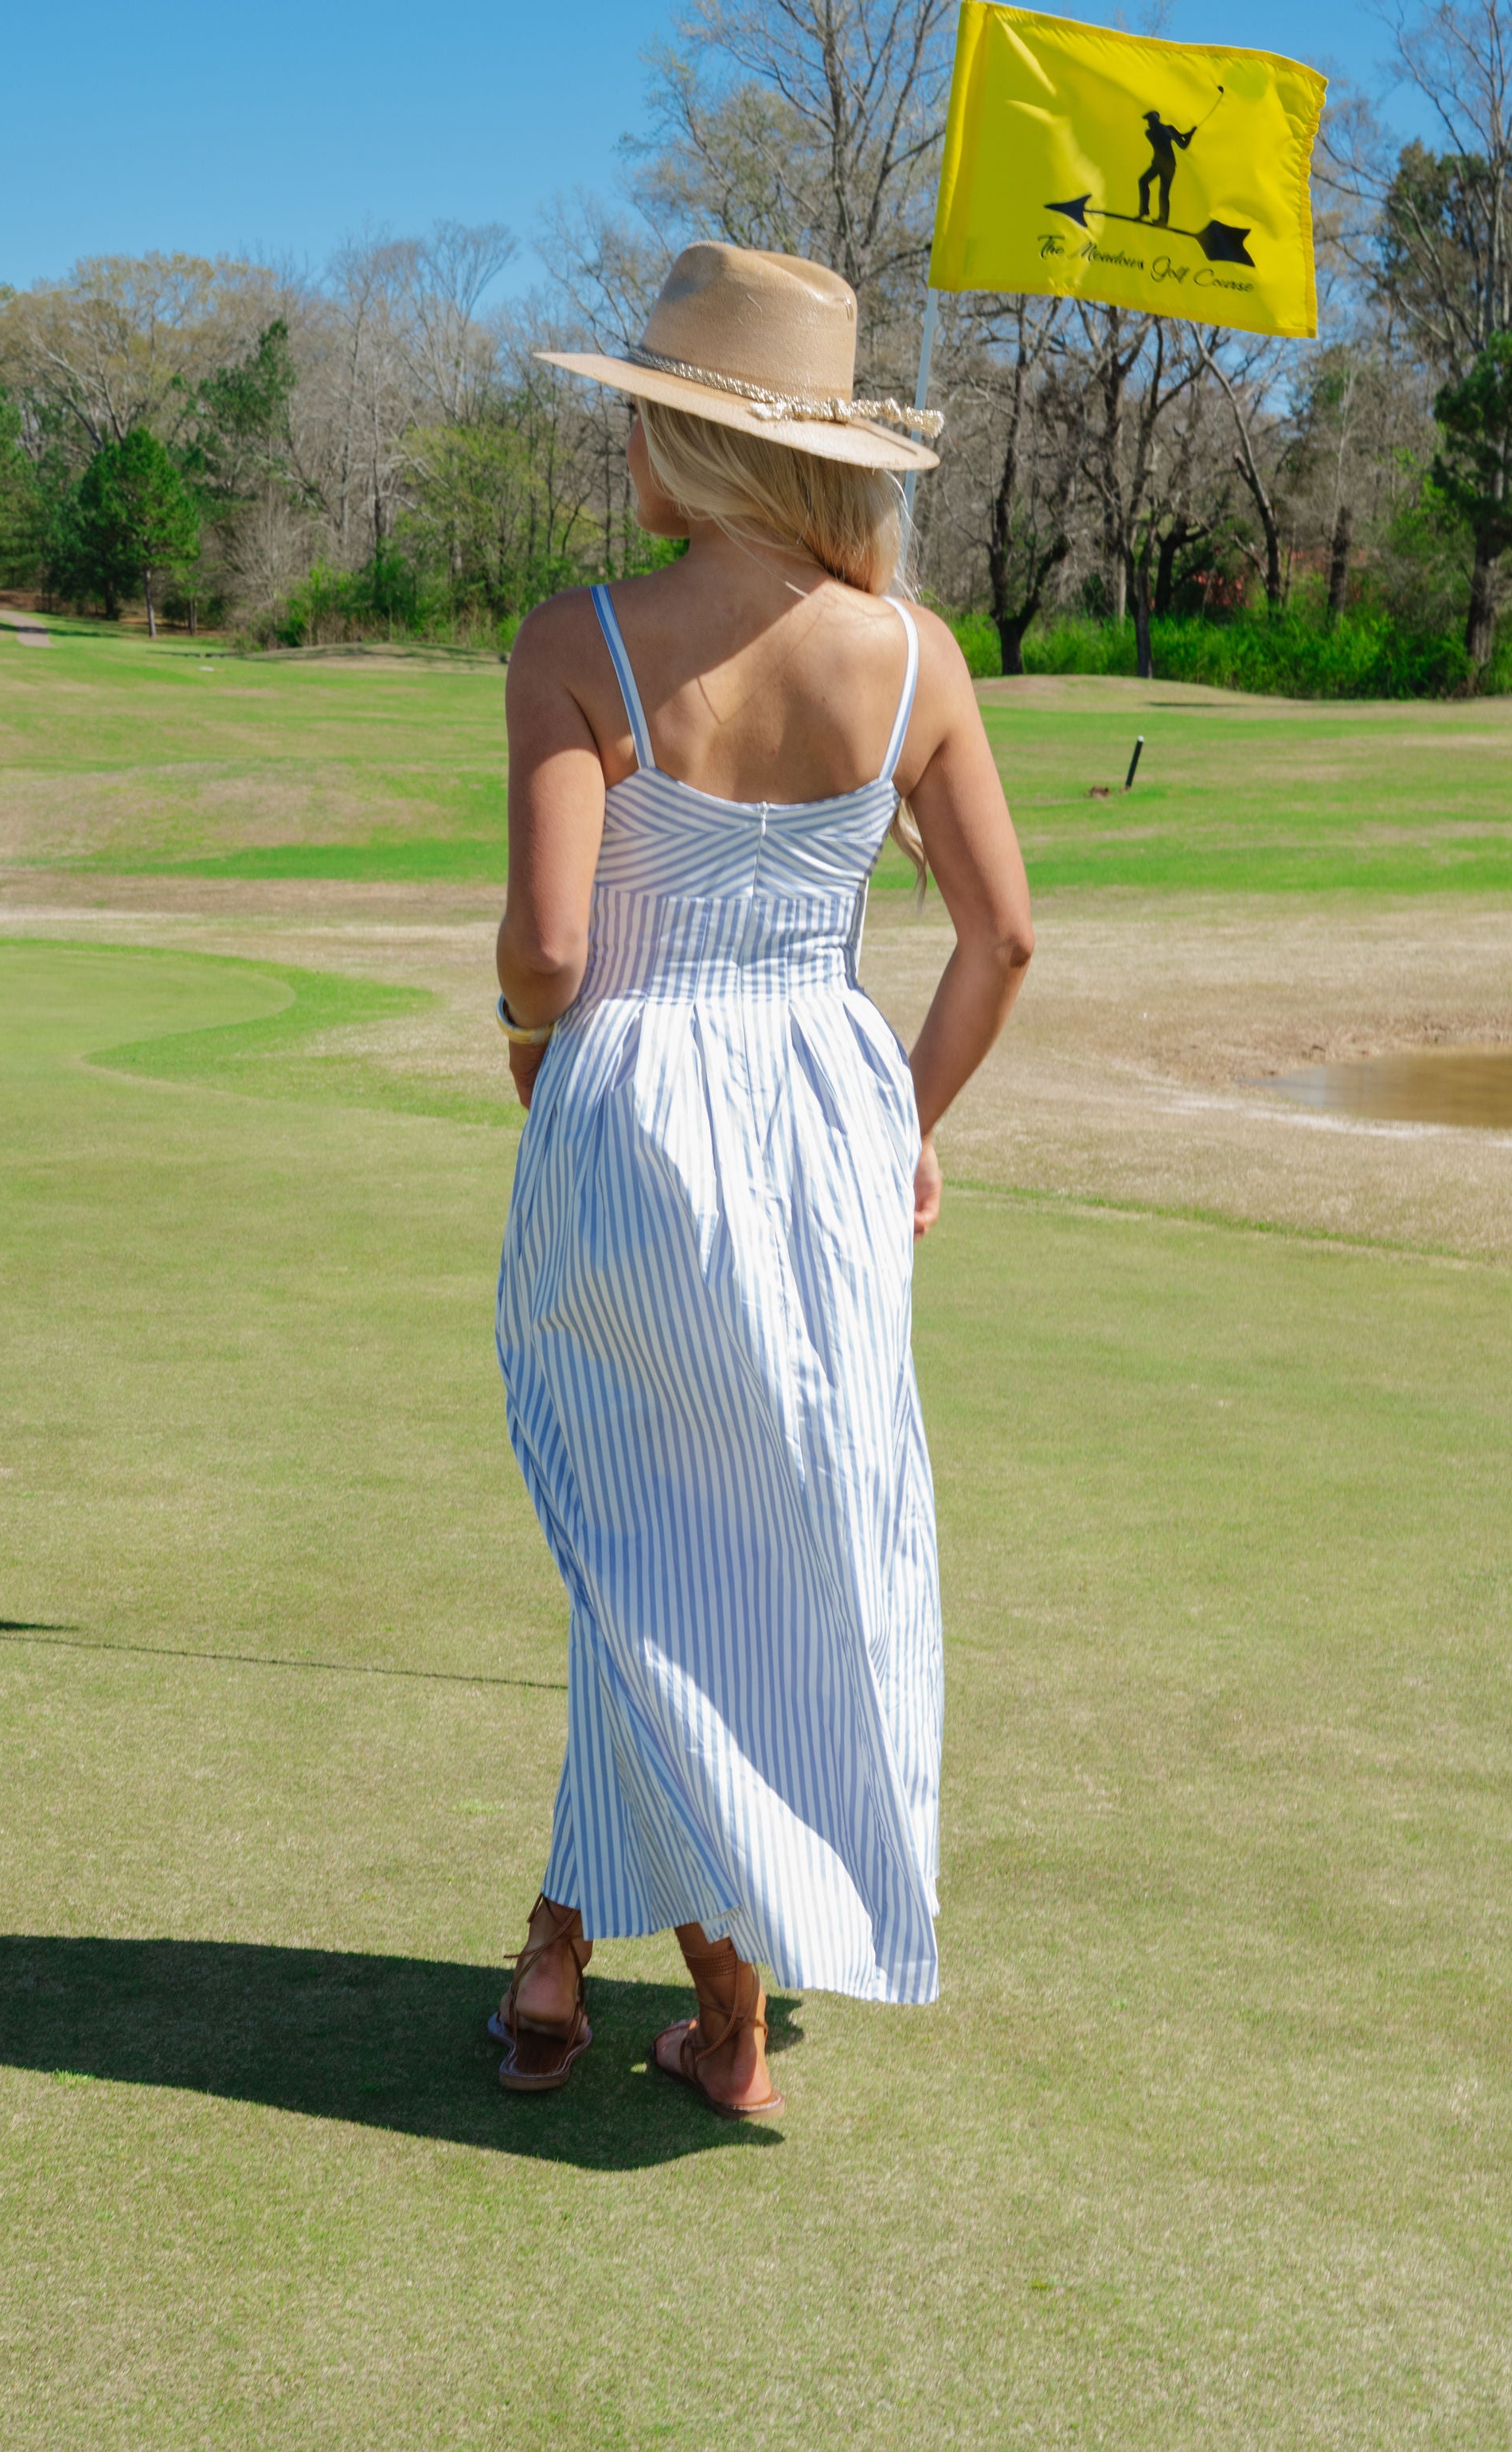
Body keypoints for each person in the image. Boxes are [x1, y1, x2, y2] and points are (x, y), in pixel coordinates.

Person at [489, 243, 1032, 2115]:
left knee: (637, 1538)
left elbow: (551, 948)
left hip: (632, 1103)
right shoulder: (914, 656)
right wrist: (904, 1123)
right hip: (820, 1105)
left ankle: (691, 1988)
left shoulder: (582, 636)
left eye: (648, 414)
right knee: (759, 1542)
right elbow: (1001, 940)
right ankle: (585, 1945)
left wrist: (528, 1044)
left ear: (696, 441)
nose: (628, 441)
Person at [1136, 109, 1195, 227]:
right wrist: (1189, 135)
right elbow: (1182, 143)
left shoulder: (1163, 130)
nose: (1149, 123)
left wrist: (1188, 134)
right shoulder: (1153, 132)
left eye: (1150, 120)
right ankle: (1146, 212)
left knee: (1163, 192)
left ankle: (1162, 219)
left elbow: (1182, 144)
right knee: (1144, 182)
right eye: (1149, 120)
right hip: (1161, 164)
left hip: (1166, 164)